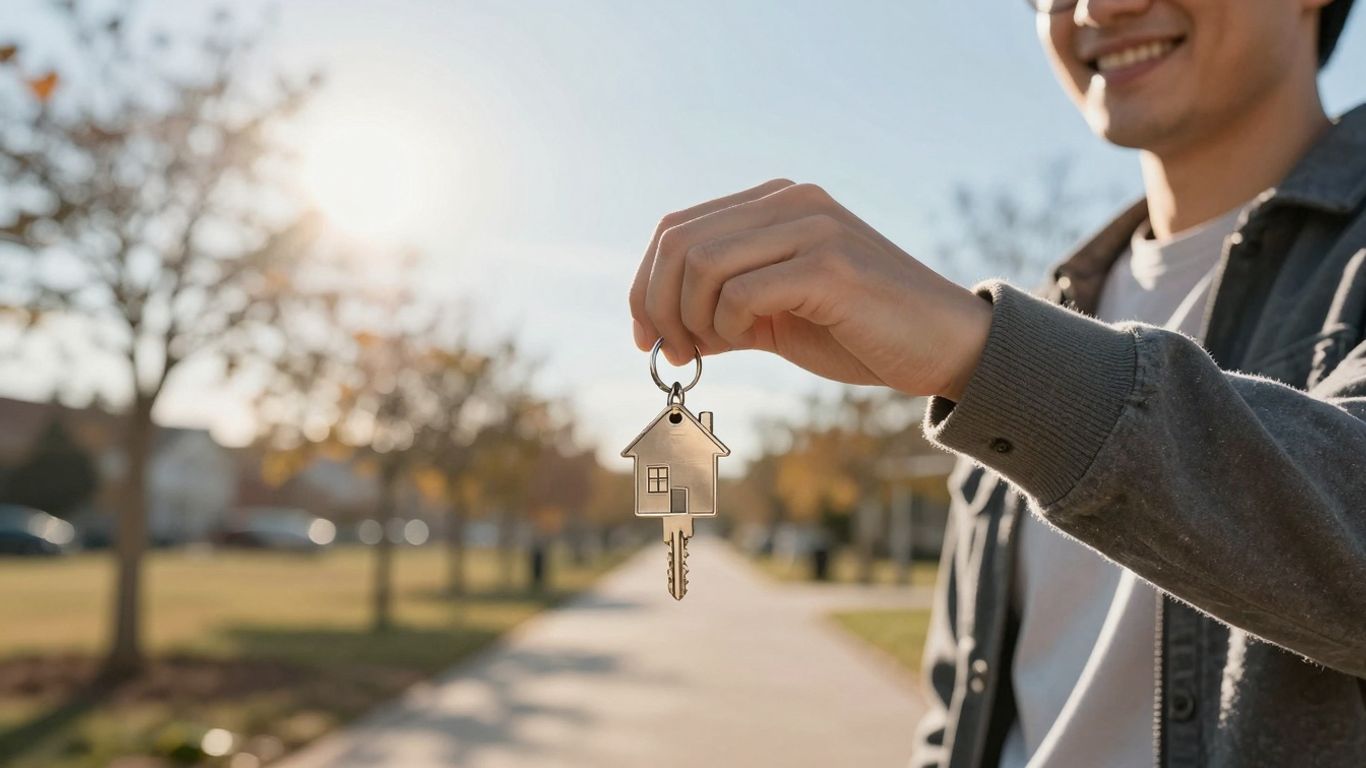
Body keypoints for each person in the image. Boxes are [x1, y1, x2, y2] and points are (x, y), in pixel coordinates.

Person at [626, 0, 1365, 764]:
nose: (1097, 8)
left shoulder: (992, 348)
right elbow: (960, 713)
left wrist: (986, 355)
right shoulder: (1050, 309)